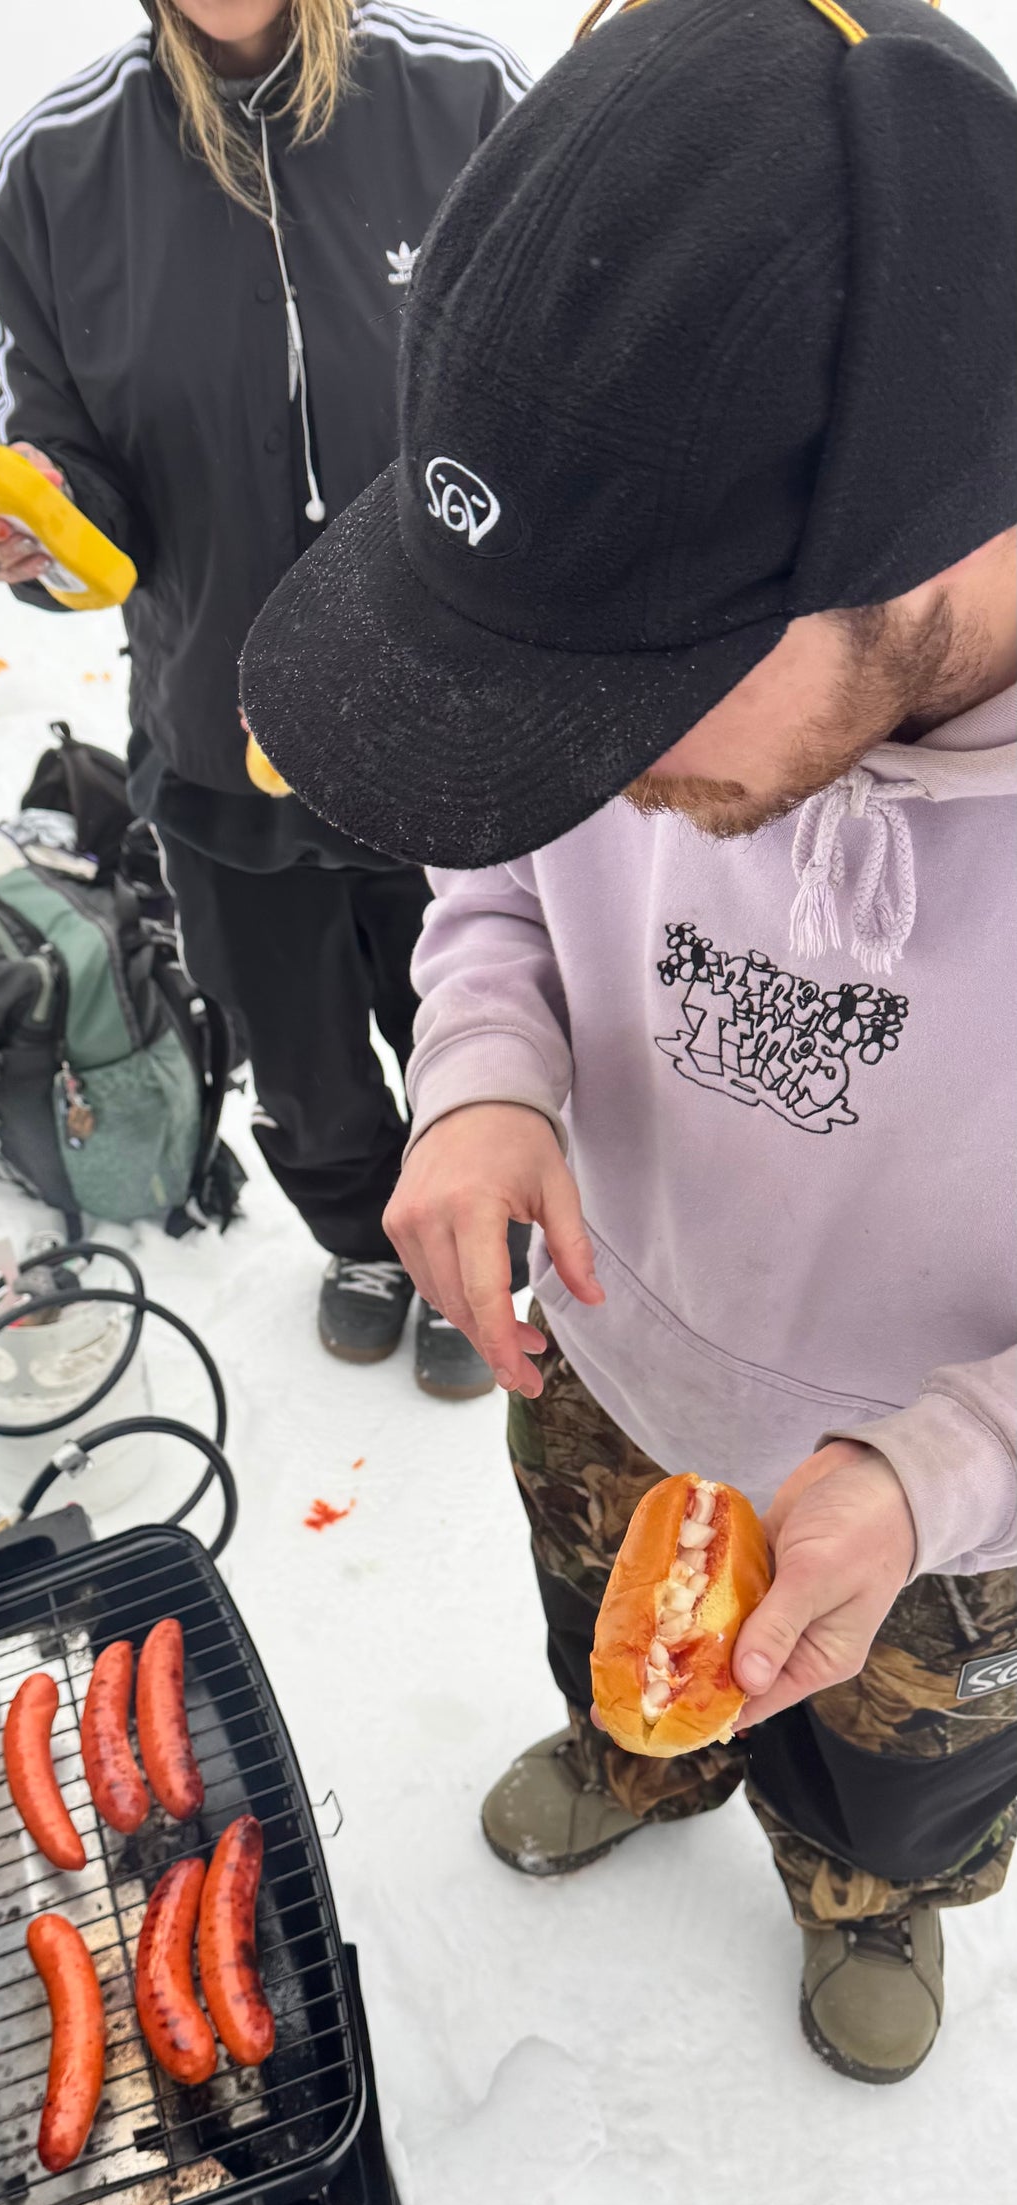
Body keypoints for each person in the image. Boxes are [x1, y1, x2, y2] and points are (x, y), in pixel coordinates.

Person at [239, 0, 1017, 2081]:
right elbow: (499, 861)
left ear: (928, 527)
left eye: (617, 704)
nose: (572, 766)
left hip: (959, 1518)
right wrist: (486, 1065)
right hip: (615, 1346)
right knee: (607, 1619)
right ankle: (649, 1761)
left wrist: (941, 1465)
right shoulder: (626, 615)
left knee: (898, 1768)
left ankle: (865, 1893)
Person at [0, 0, 529, 1395]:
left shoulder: (468, 104)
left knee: (476, 1018)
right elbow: (77, 483)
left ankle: (480, 1250)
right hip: (217, 731)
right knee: (296, 1053)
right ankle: (362, 1237)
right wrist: (41, 534)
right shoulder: (55, 175)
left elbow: (573, 397)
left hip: (446, 725)